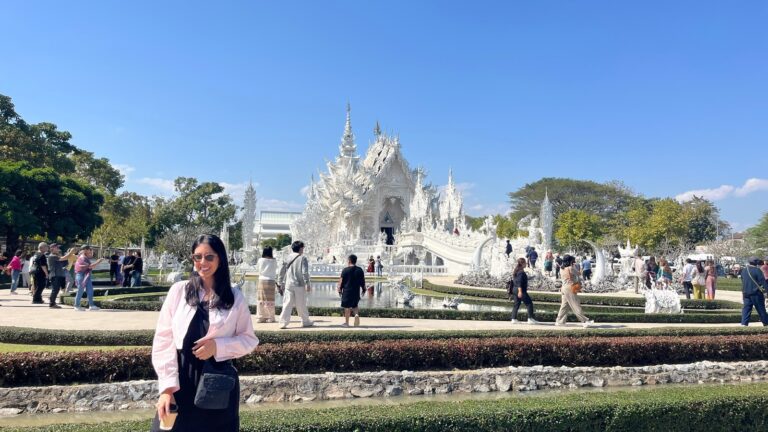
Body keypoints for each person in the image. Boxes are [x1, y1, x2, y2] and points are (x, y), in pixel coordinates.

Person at [151, 234, 258, 432]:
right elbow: (163, 341)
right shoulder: (179, 291)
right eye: (197, 257)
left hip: (217, 385)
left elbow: (249, 340)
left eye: (209, 257)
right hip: (180, 382)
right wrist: (166, 389)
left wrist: (218, 346)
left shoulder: (234, 297)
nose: (203, 262)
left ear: (220, 259)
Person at [277, 241, 313, 329]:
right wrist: (307, 283)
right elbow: (305, 272)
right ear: (300, 248)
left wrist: (280, 282)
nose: (303, 250)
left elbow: (282, 271)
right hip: (299, 284)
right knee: (301, 304)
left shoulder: (287, 257)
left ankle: (283, 322)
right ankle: (305, 321)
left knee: (287, 303)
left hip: (289, 284)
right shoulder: (302, 258)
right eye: (303, 248)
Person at [555, 255, 594, 328]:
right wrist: (575, 266)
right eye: (573, 261)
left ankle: (559, 321)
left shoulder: (561, 268)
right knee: (576, 305)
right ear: (570, 261)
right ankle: (584, 321)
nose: (574, 262)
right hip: (570, 287)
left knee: (564, 306)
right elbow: (579, 273)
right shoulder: (570, 268)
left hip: (563, 288)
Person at [337, 254, 366, 327]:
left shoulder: (345, 270)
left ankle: (347, 323)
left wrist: (339, 290)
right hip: (356, 291)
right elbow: (363, 281)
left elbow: (341, 281)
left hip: (347, 291)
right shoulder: (359, 270)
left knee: (347, 307)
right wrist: (364, 289)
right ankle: (356, 315)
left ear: (349, 261)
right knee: (355, 305)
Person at [73, 245, 105, 311]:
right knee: (80, 290)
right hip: (81, 275)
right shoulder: (82, 258)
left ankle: (91, 305)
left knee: (90, 290)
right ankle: (76, 305)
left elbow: (90, 262)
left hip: (86, 275)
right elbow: (90, 266)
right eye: (89, 250)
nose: (90, 251)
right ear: (85, 250)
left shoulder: (85, 257)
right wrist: (98, 261)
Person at [508, 258, 539, 324]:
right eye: (525, 263)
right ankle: (530, 318)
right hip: (519, 290)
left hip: (514, 289)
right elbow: (519, 282)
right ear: (522, 263)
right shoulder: (521, 272)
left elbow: (520, 280)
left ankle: (513, 319)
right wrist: (520, 291)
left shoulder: (517, 271)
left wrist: (532, 277)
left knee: (516, 304)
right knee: (529, 303)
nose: (526, 264)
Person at [740, 258, 768, 326]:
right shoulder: (757, 270)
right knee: (761, 309)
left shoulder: (744, 270)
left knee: (746, 309)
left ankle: (744, 324)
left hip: (746, 293)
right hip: (756, 293)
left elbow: (742, 281)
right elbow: (763, 282)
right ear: (756, 263)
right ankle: (766, 323)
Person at [46, 244, 74, 308]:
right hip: (55, 275)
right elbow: (64, 258)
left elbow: (65, 263)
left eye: (57, 248)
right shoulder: (52, 256)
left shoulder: (56, 256)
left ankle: (52, 302)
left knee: (57, 289)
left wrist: (64, 255)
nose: (58, 249)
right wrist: (71, 252)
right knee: (55, 290)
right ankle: (52, 303)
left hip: (59, 275)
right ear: (52, 248)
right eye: (56, 248)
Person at [255, 246, 277, 323]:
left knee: (261, 299)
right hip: (271, 281)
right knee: (270, 300)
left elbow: (258, 269)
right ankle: (271, 317)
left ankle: (261, 317)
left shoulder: (261, 260)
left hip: (262, 280)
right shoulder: (274, 261)